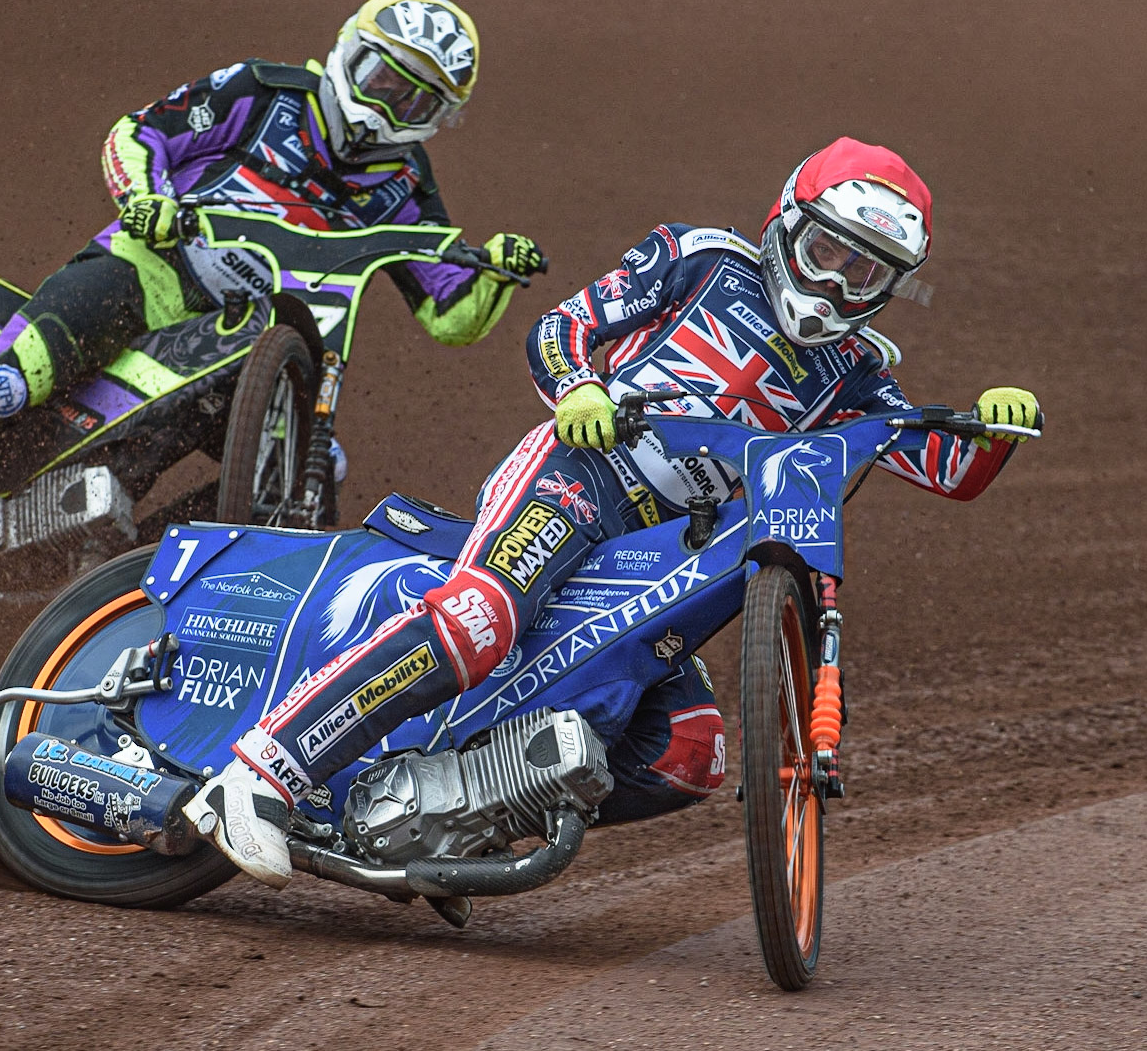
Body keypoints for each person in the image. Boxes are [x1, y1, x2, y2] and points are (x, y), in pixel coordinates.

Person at [183, 137, 1043, 887]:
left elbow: (945, 466)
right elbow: (562, 327)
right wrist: (579, 388)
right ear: (785, 224)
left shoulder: (856, 371)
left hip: (671, 550)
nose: (835, 286)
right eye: (825, 253)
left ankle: (454, 825)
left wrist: (993, 422)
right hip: (583, 474)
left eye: (866, 276)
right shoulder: (700, 258)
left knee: (690, 752)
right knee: (483, 615)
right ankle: (262, 773)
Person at [0, 0, 546, 565]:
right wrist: (146, 202)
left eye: (415, 97)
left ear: (436, 118)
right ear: (347, 52)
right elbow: (134, 133)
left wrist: (499, 273)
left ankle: (130, 581)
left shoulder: (406, 182)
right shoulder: (262, 92)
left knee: (313, 468)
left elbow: (449, 316)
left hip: (246, 344)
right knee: (16, 376)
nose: (389, 101)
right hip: (148, 275)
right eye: (383, 75)